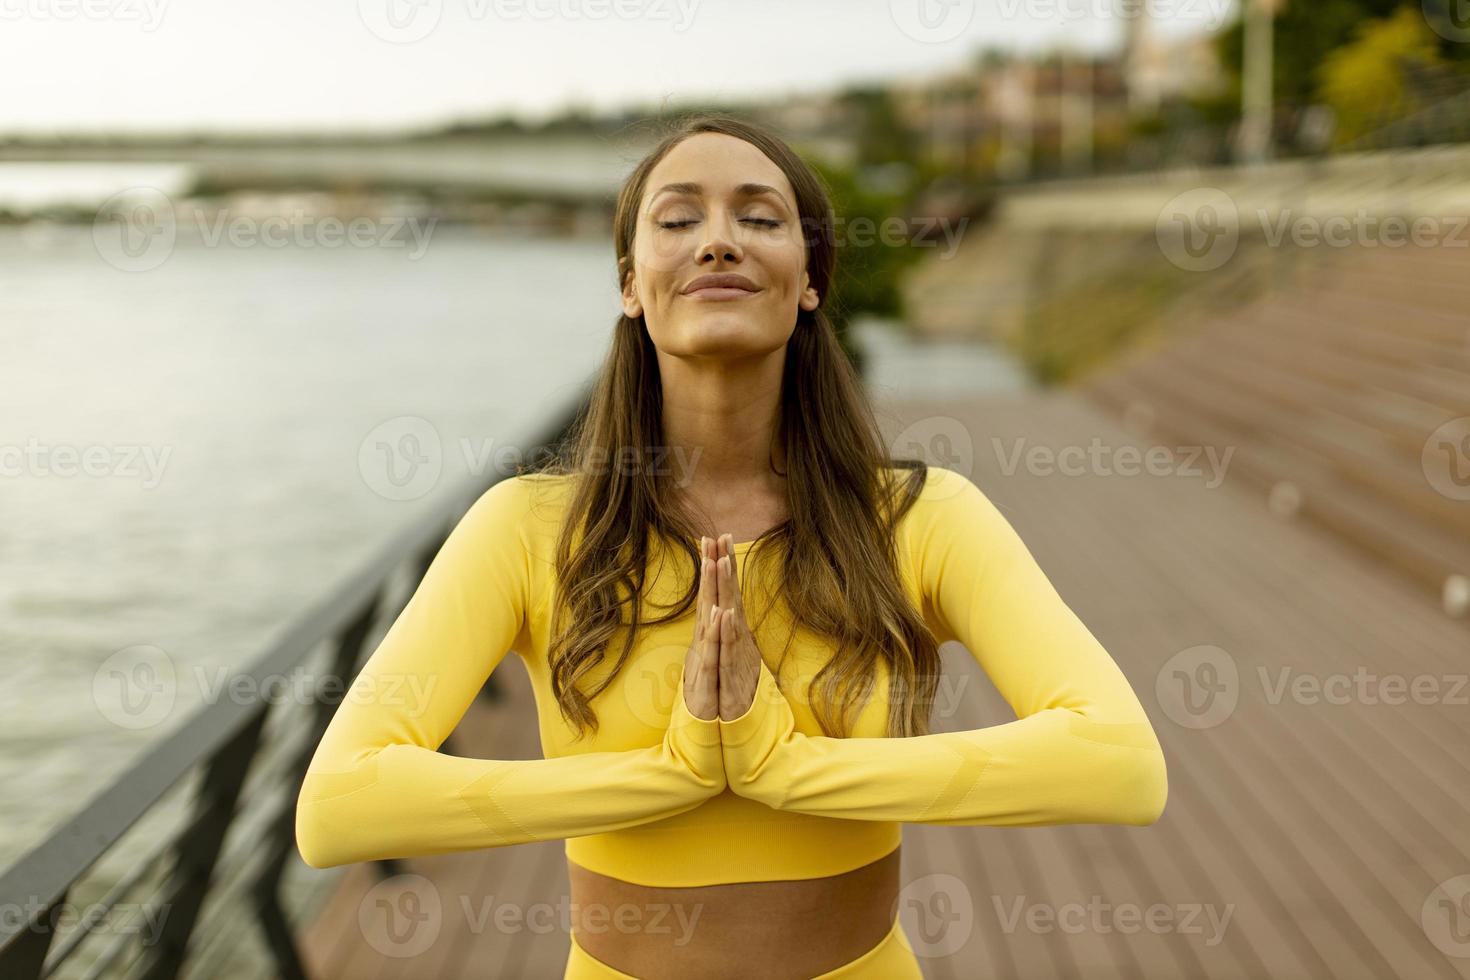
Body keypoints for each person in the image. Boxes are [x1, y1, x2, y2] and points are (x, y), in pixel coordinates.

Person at [294, 114, 1168, 980]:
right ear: (632, 285)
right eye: (679, 220)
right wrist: (671, 774)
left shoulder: (921, 517)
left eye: (758, 218)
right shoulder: (527, 527)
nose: (718, 242)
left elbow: (1120, 764)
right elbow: (338, 806)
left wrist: (787, 768)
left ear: (810, 279)